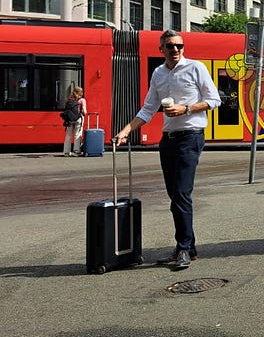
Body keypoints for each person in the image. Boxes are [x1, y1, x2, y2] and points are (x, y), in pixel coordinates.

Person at [113, 30, 221, 269]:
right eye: (170, 46)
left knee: (181, 194)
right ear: (161, 49)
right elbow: (148, 109)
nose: (175, 50)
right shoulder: (159, 73)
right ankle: (188, 248)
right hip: (168, 140)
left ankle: (182, 248)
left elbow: (215, 100)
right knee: (175, 196)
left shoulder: (196, 68)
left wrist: (186, 109)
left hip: (190, 137)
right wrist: (125, 130)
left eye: (179, 46)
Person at [61, 86, 87, 156]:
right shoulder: (82, 100)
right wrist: (83, 112)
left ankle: (66, 152)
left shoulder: (69, 100)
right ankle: (76, 151)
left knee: (68, 135)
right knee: (77, 135)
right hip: (78, 119)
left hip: (69, 119)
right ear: (81, 93)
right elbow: (85, 112)